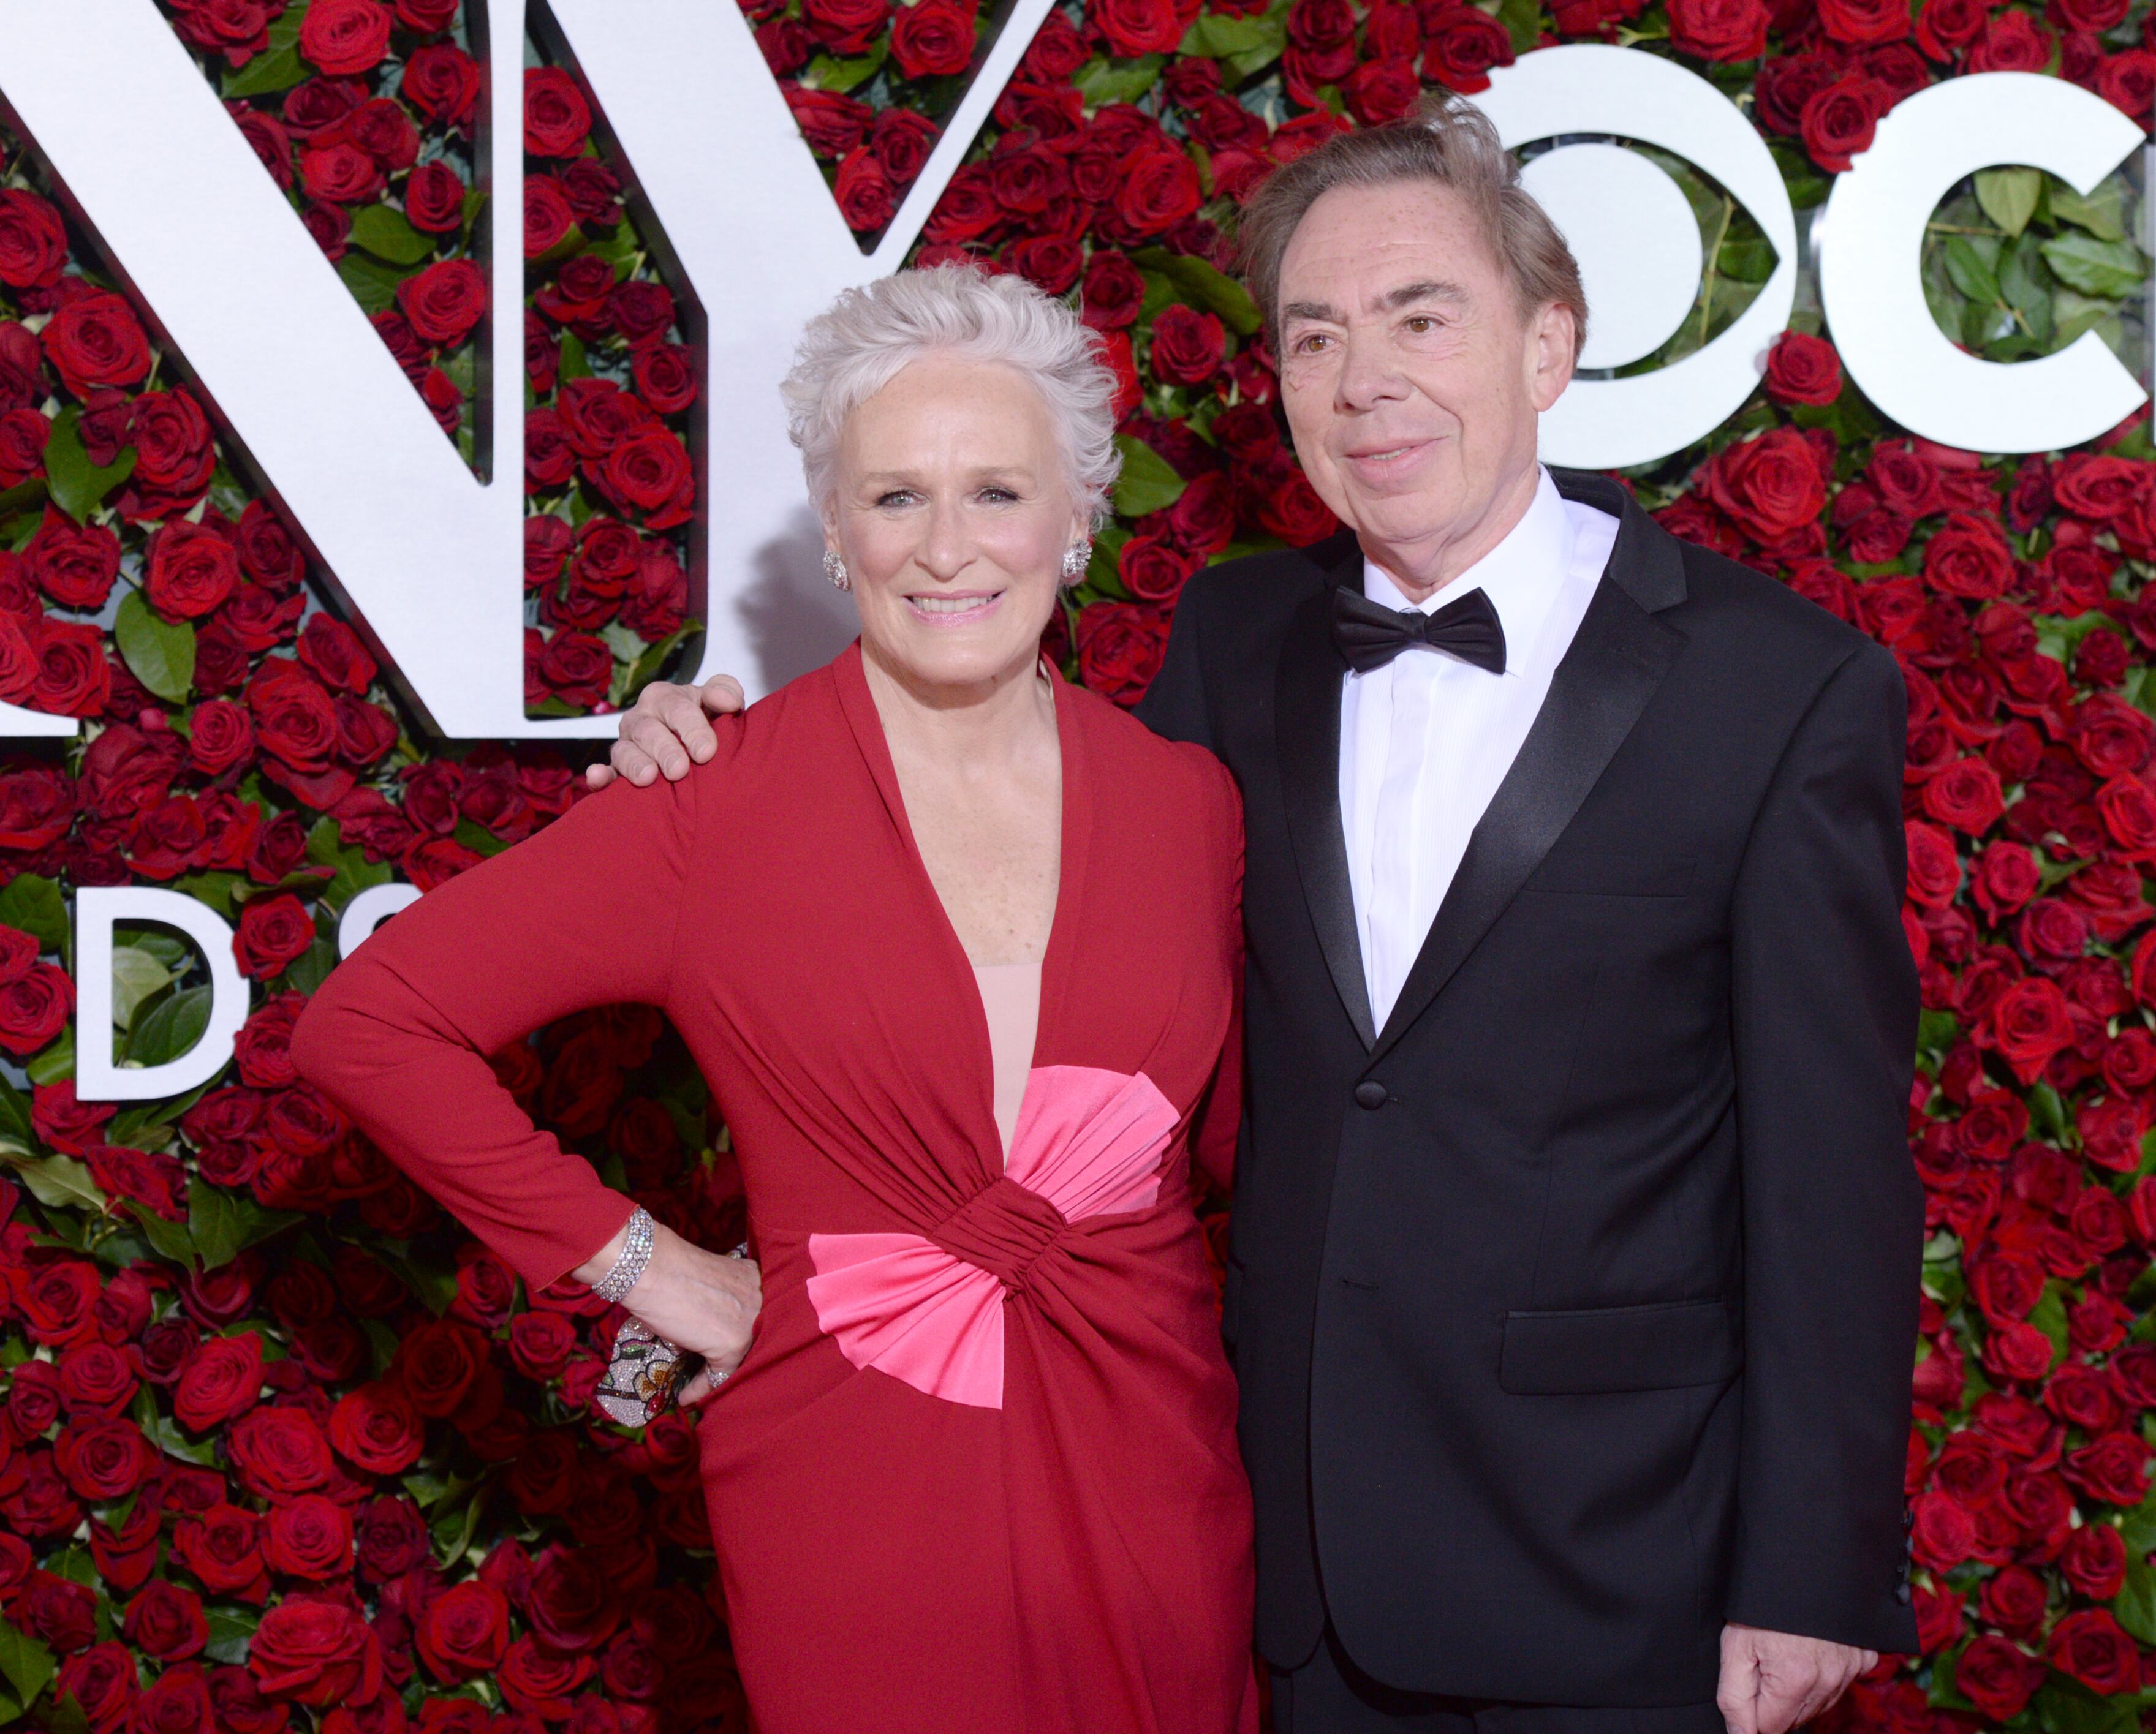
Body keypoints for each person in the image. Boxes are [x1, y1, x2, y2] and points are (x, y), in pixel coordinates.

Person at [602, 100, 1924, 1734]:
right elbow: (1019, 931)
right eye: (1315, 337)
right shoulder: (1237, 646)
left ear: (1550, 344)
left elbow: (1836, 1171)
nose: (1365, 378)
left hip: (1624, 1567)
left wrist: (1812, 1566)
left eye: (1421, 317)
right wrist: (718, 775)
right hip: (1280, 1565)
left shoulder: (1779, 688)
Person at [293, 265, 1257, 1734]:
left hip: (1157, 1467)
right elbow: (368, 1025)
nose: (946, 549)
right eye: (894, 500)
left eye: (997, 492)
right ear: (831, 531)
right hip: (850, 1483)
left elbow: (1273, 1149)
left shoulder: (1188, 805)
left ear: (1078, 518)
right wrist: (654, 1272)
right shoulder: (708, 802)